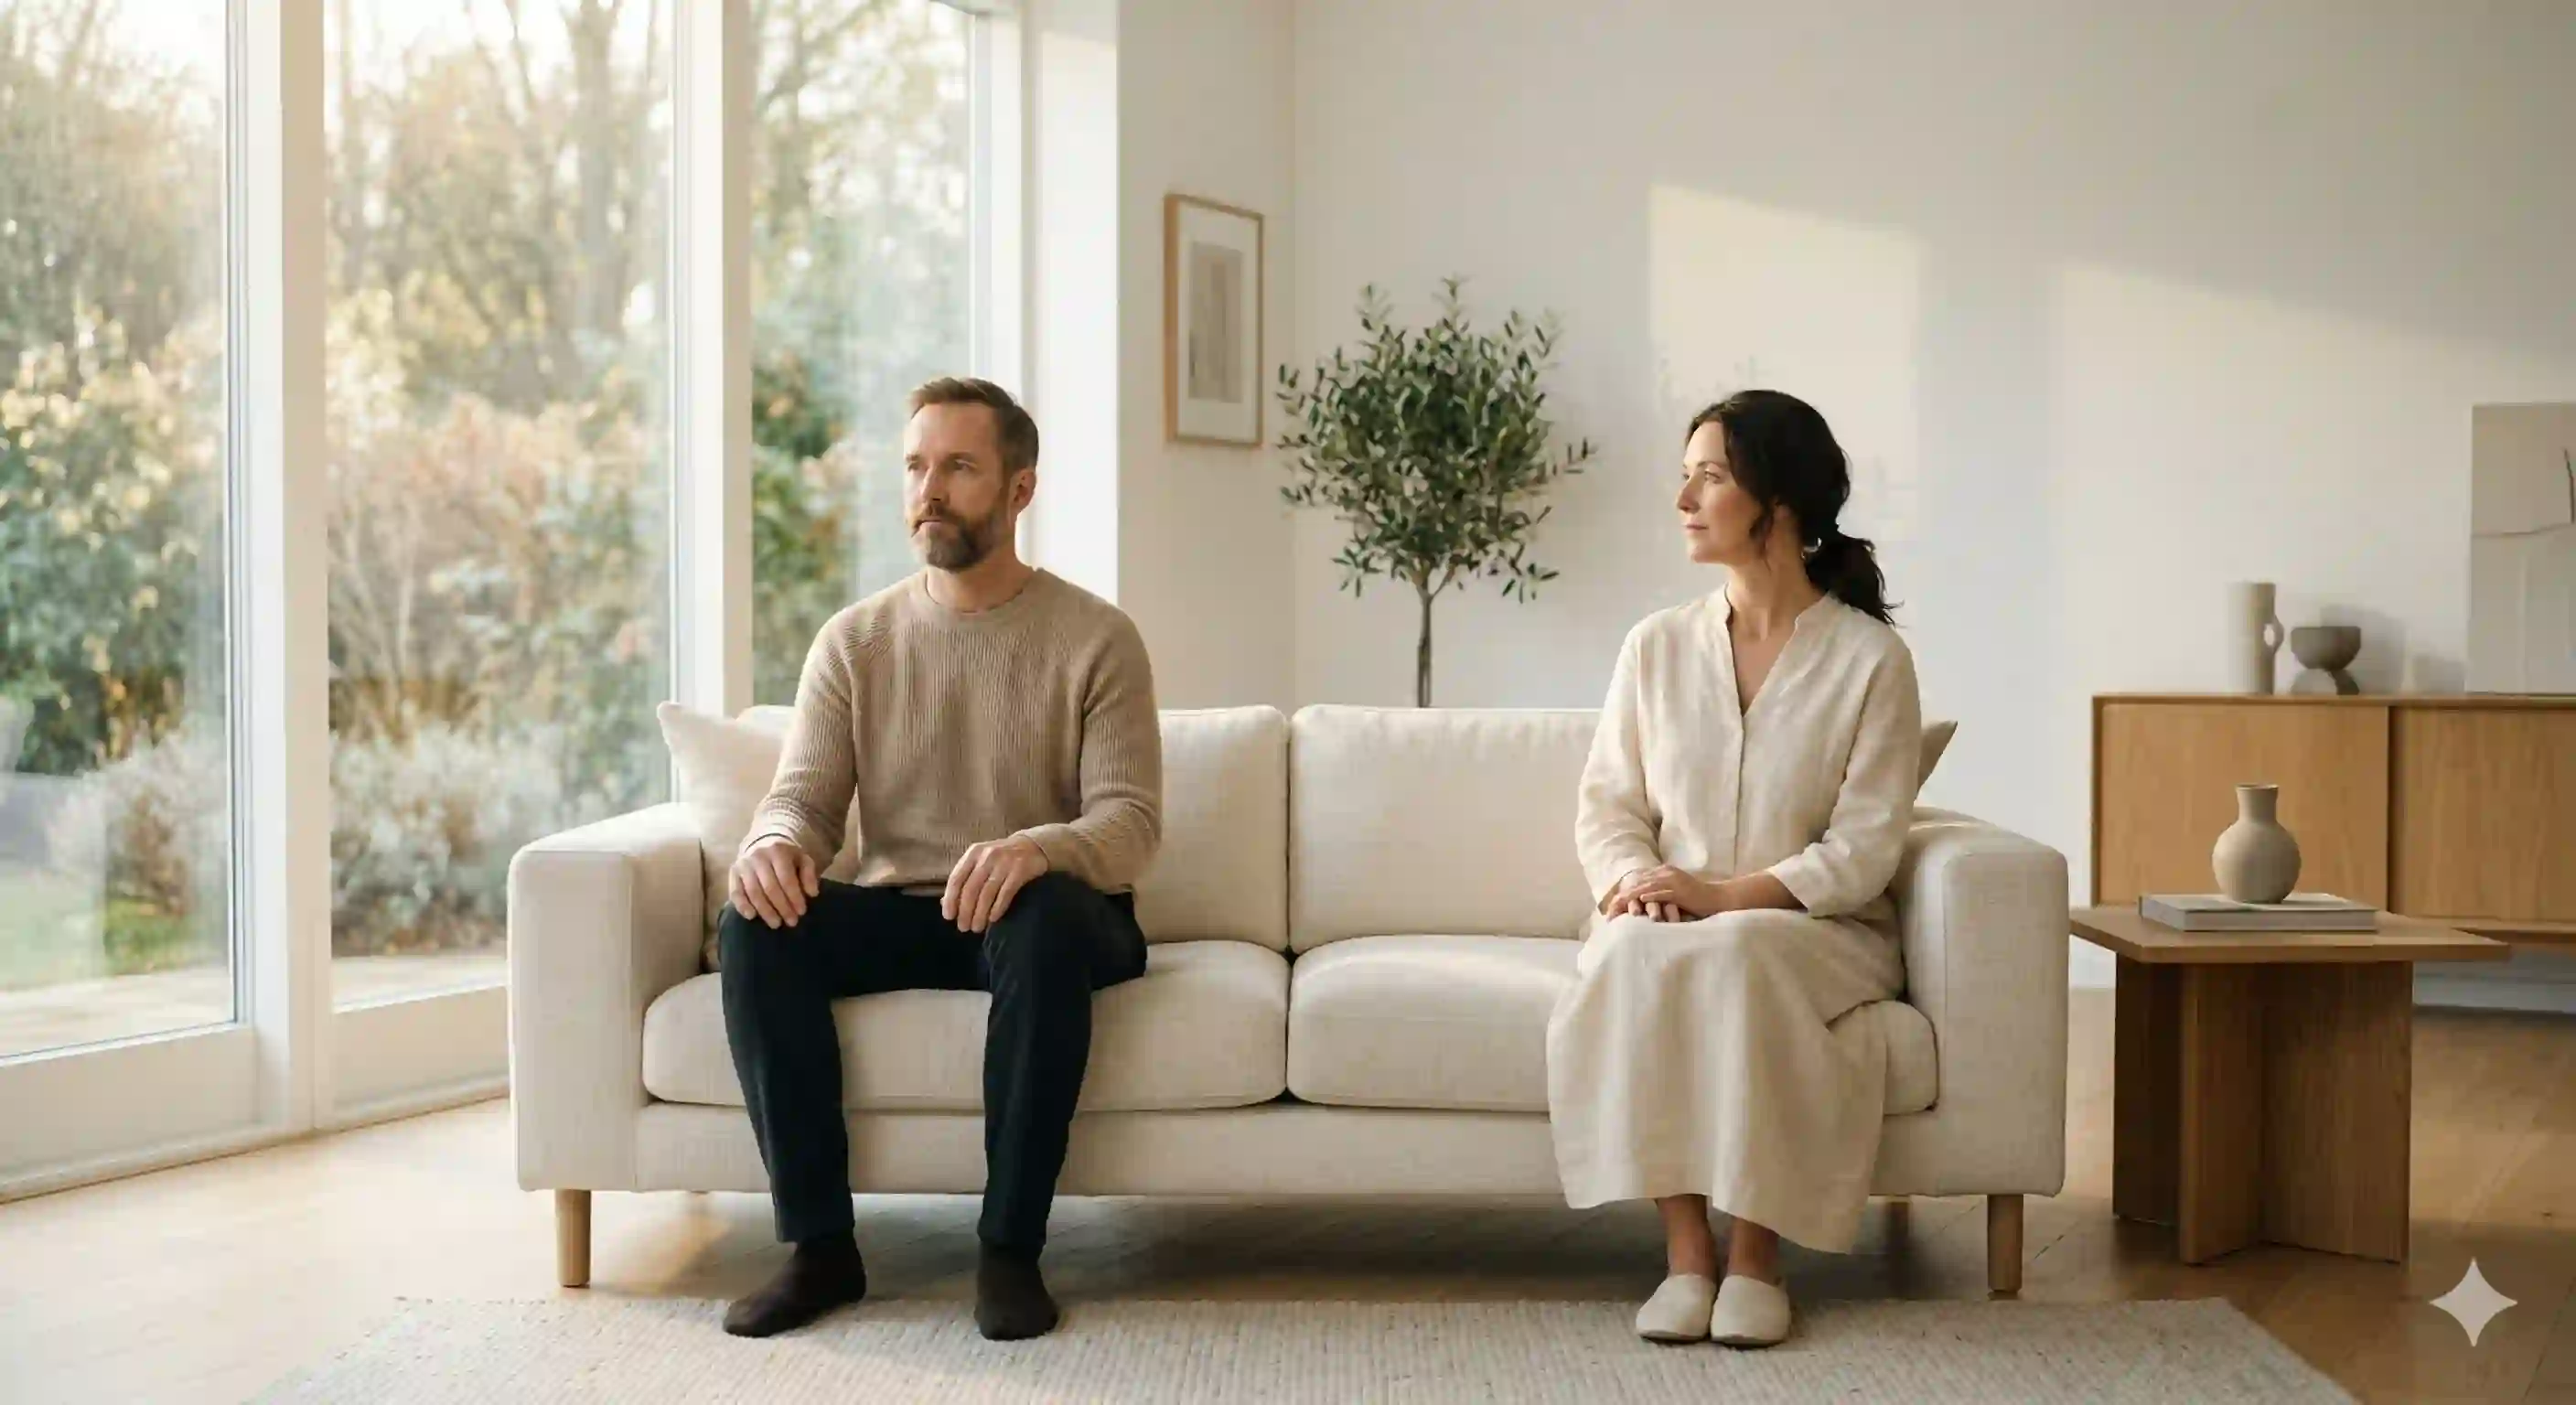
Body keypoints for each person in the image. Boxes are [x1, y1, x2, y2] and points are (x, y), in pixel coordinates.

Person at [716, 376, 1161, 1343]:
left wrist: (1035, 851)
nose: (929, 490)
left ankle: (1009, 1253)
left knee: (1039, 921)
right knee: (753, 918)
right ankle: (821, 1250)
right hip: (910, 910)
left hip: (1050, 918)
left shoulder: (1096, 638)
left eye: (958, 468)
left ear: (1018, 490)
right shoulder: (854, 641)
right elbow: (803, 799)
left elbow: (1130, 824)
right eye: (916, 467)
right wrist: (773, 844)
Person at [1547, 390, 1922, 1349]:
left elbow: (1864, 847)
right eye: (1686, 473)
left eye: (1708, 475)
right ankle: (1684, 1256)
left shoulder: (1869, 661)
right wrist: (1637, 887)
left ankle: (1755, 1256)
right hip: (1670, 911)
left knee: (1743, 951)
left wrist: (1724, 897)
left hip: (1812, 929)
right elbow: (1608, 808)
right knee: (1634, 955)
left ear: (1778, 502)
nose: (1683, 496)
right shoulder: (1655, 647)